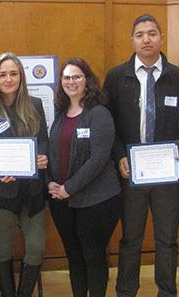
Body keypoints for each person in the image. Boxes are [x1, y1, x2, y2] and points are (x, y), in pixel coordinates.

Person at [103, 14, 179, 297]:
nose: (146, 39)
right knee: (130, 238)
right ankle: (126, 291)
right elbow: (108, 124)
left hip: (169, 177)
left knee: (167, 240)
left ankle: (166, 291)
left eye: (152, 33)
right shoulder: (117, 77)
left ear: (161, 38)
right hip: (131, 174)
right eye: (140, 34)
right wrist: (119, 155)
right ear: (132, 40)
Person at [0, 52, 49, 297]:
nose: (8, 79)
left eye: (13, 74)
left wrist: (42, 157)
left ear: (21, 77)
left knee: (36, 247)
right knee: (3, 247)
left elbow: (44, 142)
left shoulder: (35, 104)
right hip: (0, 191)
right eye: (3, 74)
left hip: (33, 191)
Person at [47, 57, 121, 297]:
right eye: (67, 77)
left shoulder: (99, 114)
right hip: (62, 201)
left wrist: (69, 187)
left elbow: (98, 159)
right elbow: (52, 152)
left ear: (87, 81)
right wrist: (51, 182)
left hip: (97, 200)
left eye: (77, 76)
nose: (71, 81)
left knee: (93, 256)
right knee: (74, 256)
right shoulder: (61, 114)